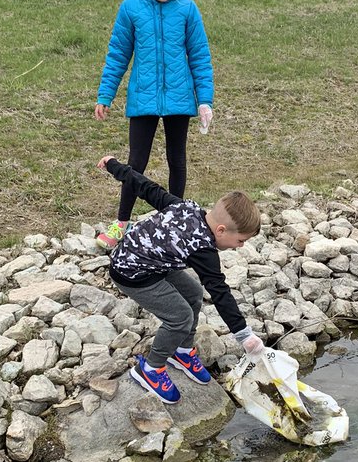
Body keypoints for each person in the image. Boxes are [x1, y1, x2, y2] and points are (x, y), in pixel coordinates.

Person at [97, 154, 265, 404]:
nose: (240, 247)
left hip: (151, 262)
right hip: (132, 273)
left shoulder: (187, 208)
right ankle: (151, 369)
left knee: (194, 293)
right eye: (240, 241)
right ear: (221, 230)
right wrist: (243, 335)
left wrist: (113, 165)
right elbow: (219, 291)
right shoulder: (203, 248)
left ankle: (183, 351)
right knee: (180, 317)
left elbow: (146, 187)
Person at [94, 0, 214, 250]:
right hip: (143, 99)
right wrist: (106, 94)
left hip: (178, 99)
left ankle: (176, 220)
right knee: (136, 162)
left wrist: (204, 100)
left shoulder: (187, 10)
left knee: (177, 158)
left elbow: (200, 56)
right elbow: (118, 54)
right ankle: (122, 222)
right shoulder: (131, 8)